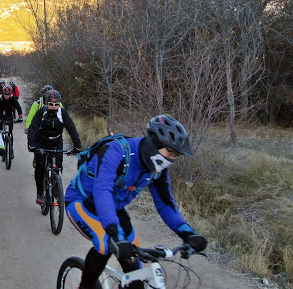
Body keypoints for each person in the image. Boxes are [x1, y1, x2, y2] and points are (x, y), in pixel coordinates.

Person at [63, 115, 207, 289]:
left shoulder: (157, 169)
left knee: (136, 272)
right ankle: (84, 286)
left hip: (113, 208)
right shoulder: (116, 151)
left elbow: (165, 204)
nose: (172, 159)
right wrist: (115, 235)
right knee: (105, 244)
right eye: (171, 152)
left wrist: (187, 233)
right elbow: (103, 191)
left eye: (176, 155)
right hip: (82, 201)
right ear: (155, 144)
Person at [27, 89, 81, 204]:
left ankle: (56, 188)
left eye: (56, 104)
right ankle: (40, 192)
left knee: (58, 164)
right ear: (46, 103)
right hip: (41, 141)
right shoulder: (41, 112)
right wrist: (31, 144)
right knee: (40, 165)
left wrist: (77, 145)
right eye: (51, 104)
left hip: (56, 142)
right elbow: (32, 128)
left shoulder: (63, 113)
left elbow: (71, 128)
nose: (53, 107)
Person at [0, 85, 24, 158]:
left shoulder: (13, 98)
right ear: (3, 93)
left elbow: (18, 107)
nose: (7, 96)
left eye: (8, 94)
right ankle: (1, 144)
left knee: (10, 133)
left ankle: (11, 149)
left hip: (9, 114)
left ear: (10, 93)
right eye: (5, 94)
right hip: (0, 114)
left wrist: (20, 116)